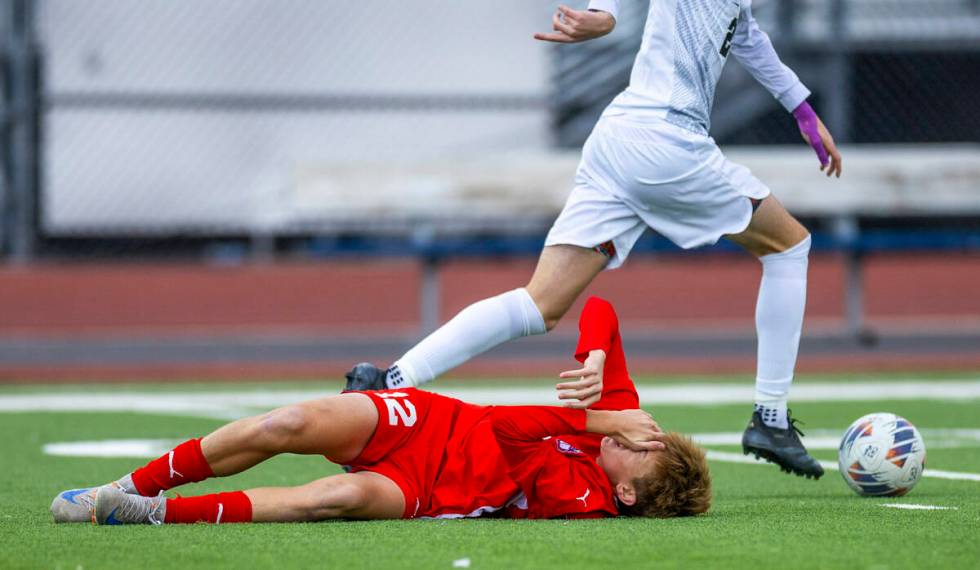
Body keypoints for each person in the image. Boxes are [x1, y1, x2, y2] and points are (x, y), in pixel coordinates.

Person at [347, 0, 841, 479]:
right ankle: (770, 418)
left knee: (539, 305)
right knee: (789, 246)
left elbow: (747, 32)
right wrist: (606, 12)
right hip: (667, 142)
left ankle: (391, 381)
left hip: (619, 140)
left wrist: (800, 109)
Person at [51, 298, 711, 525]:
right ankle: (129, 485)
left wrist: (595, 421)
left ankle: (150, 513)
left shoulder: (586, 499)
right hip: (431, 419)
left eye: (646, 456)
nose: (642, 437)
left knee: (328, 498)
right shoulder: (625, 420)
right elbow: (601, 309)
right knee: (284, 426)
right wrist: (595, 357)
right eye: (650, 440)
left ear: (626, 491)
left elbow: (509, 428)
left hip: (424, 490)